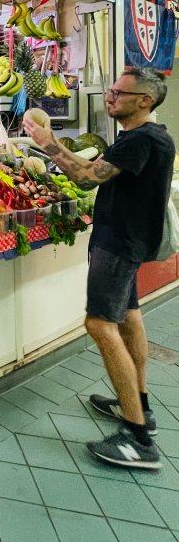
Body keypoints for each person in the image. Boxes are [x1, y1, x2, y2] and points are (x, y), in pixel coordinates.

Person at [24, 68, 174, 471]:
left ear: (145, 100)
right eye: (110, 90)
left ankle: (138, 438)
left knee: (99, 325)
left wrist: (49, 143)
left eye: (119, 92)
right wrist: (54, 145)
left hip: (118, 244)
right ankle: (138, 404)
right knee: (128, 318)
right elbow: (96, 171)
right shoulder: (146, 137)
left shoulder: (140, 139)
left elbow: (86, 177)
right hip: (128, 241)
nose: (110, 97)